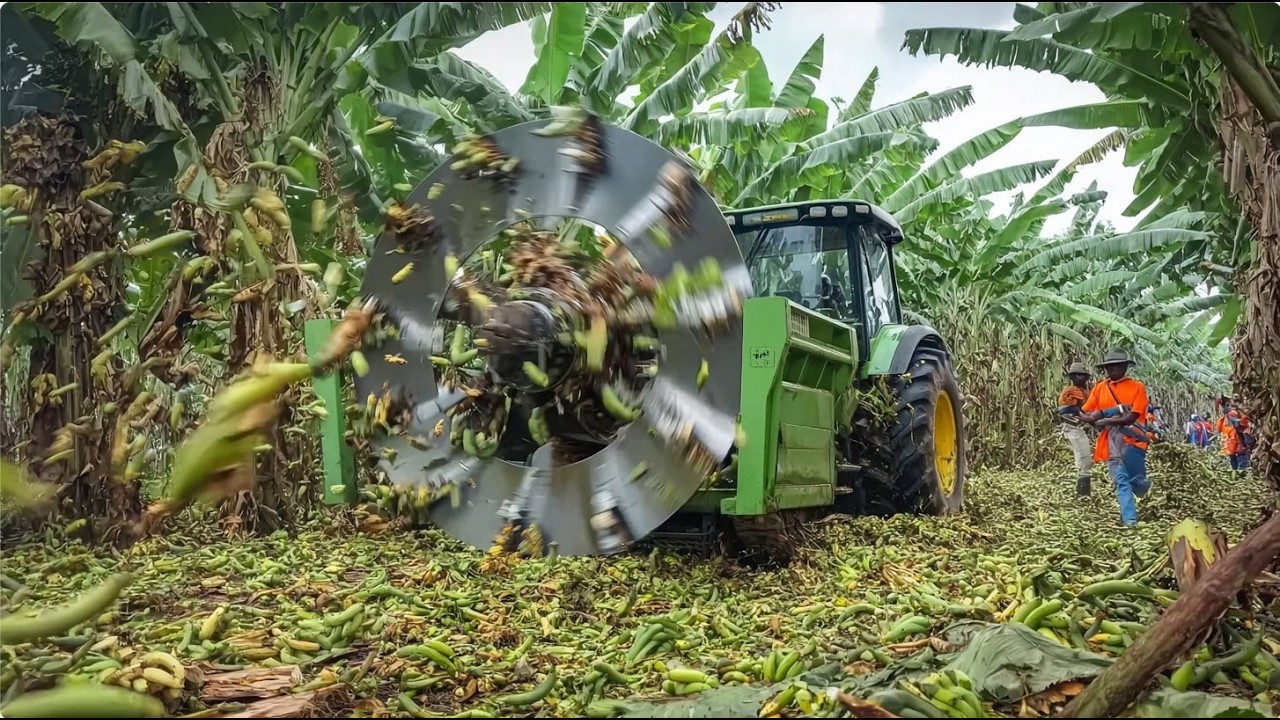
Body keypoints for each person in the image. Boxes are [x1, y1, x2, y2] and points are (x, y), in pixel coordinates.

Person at [1079, 349, 1151, 527]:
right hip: (1111, 441)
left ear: (1126, 366)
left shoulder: (1137, 387)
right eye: (1110, 366)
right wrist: (1087, 418)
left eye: (1118, 365)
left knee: (1137, 482)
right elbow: (1088, 412)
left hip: (1133, 441)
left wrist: (1106, 418)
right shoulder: (1100, 387)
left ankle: (1144, 488)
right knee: (1120, 481)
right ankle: (1130, 520)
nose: (1114, 369)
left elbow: (1132, 416)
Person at [1056, 362, 1095, 495]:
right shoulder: (1071, 392)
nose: (1081, 378)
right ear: (1072, 377)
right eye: (1077, 375)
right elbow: (1064, 411)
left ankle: (1082, 494)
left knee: (1084, 461)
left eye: (1083, 375)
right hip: (1073, 429)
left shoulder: (1084, 391)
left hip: (1078, 428)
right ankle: (1083, 494)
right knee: (1085, 461)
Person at [1217, 398, 1253, 475]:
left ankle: (1237, 476)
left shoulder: (1224, 419)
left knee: (1235, 466)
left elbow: (1219, 429)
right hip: (1237, 447)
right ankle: (1240, 476)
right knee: (1241, 467)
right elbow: (1243, 423)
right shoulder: (1233, 416)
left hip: (1231, 447)